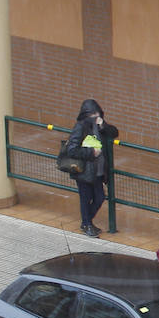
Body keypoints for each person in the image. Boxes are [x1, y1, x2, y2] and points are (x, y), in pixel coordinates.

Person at [65, 98, 119, 238]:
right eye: (92, 114)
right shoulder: (80, 127)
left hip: (98, 171)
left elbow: (114, 132)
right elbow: (72, 149)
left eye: (97, 113)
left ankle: (86, 221)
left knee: (100, 197)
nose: (95, 117)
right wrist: (91, 153)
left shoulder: (99, 125)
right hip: (84, 171)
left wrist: (104, 126)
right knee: (85, 197)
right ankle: (87, 223)